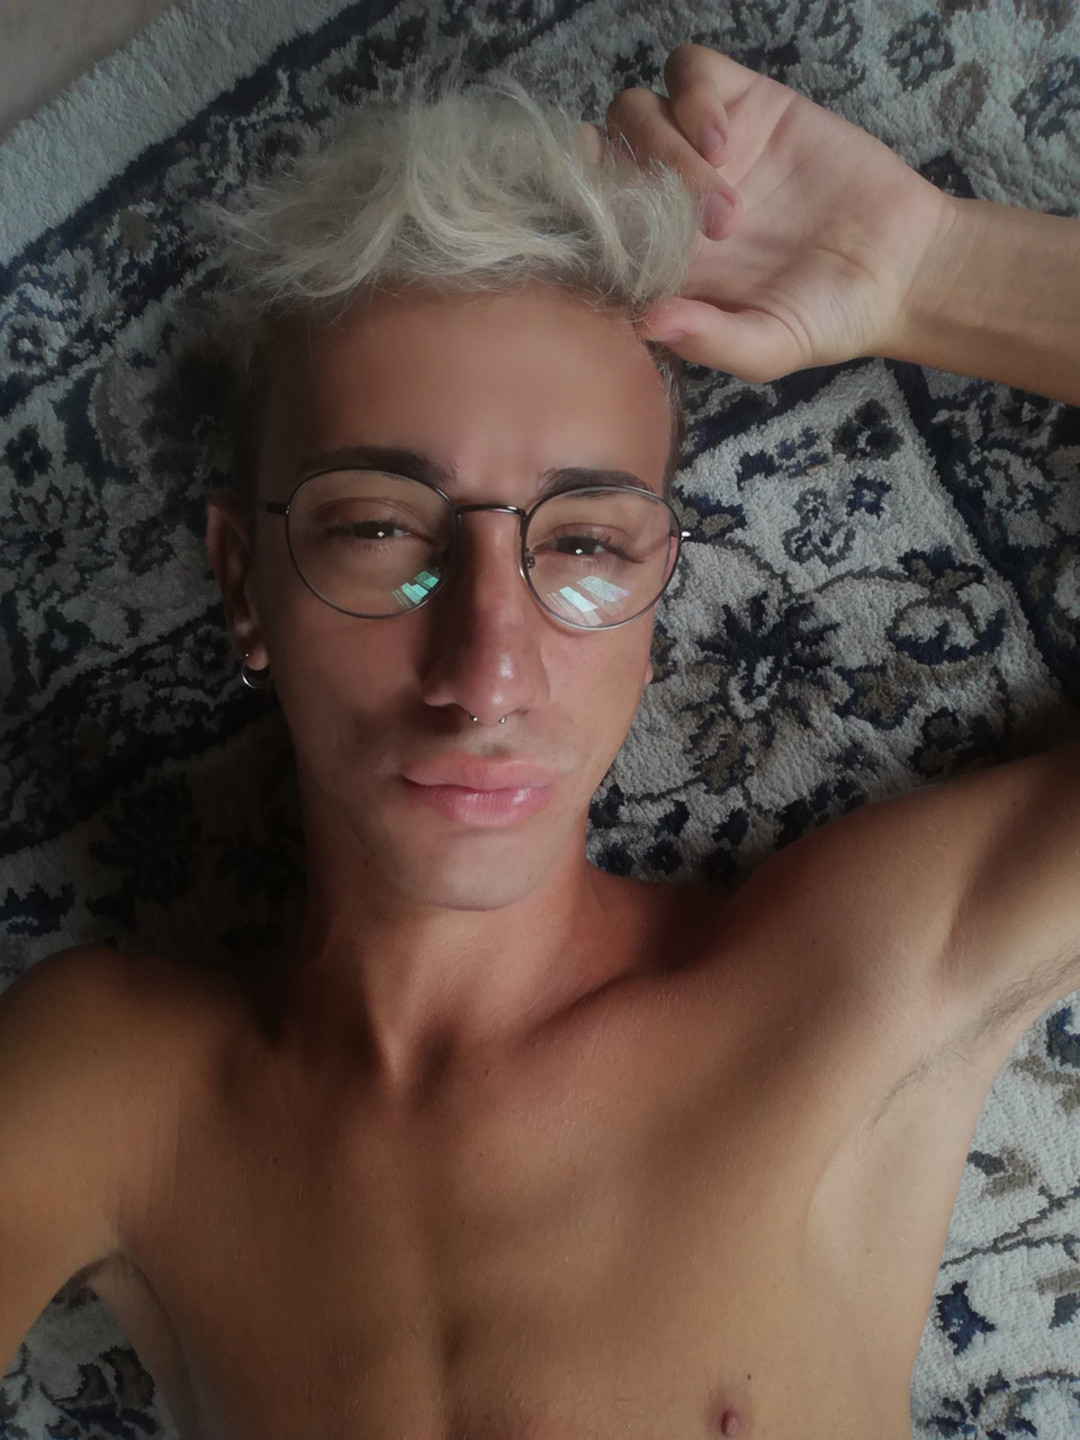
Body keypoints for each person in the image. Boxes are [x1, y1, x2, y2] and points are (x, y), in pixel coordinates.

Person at [1, 39, 1077, 1440]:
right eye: (381, 531)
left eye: (584, 544)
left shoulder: (843, 985)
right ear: (242, 582)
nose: (486, 673)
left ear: (658, 594)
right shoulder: (115, 1085)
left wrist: (933, 269)